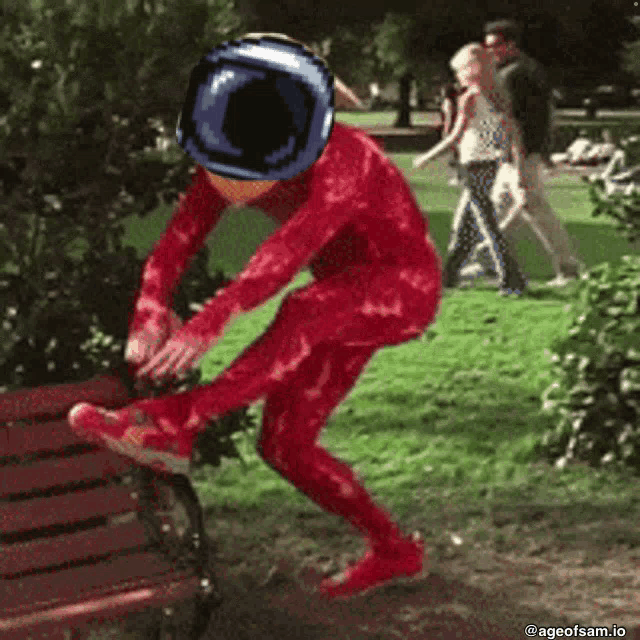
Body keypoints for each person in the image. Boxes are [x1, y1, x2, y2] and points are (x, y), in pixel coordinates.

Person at [66, 33, 440, 600]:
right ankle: (394, 549)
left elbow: (287, 253)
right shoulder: (241, 145)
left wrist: (209, 321)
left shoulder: (347, 160)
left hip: (404, 290)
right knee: (285, 446)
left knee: (307, 305)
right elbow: (175, 243)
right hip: (341, 303)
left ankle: (177, 420)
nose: (227, 180)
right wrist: (150, 308)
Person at [412, 43, 527, 296]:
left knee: (486, 224)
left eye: (459, 71)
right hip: (491, 163)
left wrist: (426, 158)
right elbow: (512, 132)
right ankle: (449, 276)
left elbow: (455, 136)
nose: (457, 77)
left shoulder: (471, 98)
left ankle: (511, 280)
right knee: (467, 224)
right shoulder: (499, 95)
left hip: (473, 164)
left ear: (469, 70)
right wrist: (515, 163)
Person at [482, 19, 582, 286]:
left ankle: (568, 269)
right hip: (514, 153)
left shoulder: (514, 74)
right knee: (504, 208)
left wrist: (521, 153)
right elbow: (547, 112)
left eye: (495, 45)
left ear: (511, 45)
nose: (489, 50)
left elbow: (513, 119)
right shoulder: (526, 70)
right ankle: (488, 260)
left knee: (533, 207)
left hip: (519, 153)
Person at [440, 82, 465, 186]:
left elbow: (448, 117)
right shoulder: (456, 101)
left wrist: (446, 131)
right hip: (457, 129)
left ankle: (457, 177)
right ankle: (460, 176)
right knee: (457, 154)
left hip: (451, 130)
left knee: (453, 155)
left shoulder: (447, 102)